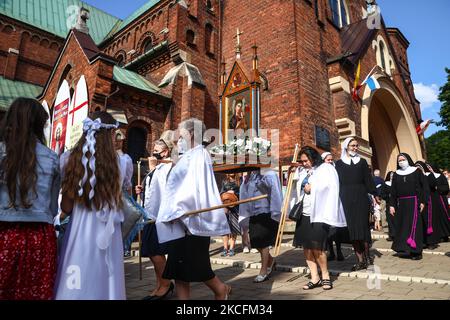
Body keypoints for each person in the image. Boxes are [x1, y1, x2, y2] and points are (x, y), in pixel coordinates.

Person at [156, 118, 231, 300]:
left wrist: (178, 211)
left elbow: (194, 189)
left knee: (198, 267)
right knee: (179, 272)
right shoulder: (185, 156)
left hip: (191, 221)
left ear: (190, 134)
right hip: (179, 220)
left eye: (181, 135)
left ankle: (221, 290)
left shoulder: (199, 154)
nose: (178, 140)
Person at [54, 111, 126, 299]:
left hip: (80, 232)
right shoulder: (122, 164)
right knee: (107, 281)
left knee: (77, 279)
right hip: (109, 234)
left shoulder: (70, 160)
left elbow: (66, 208)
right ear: (111, 135)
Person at [0, 98, 60, 300]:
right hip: (40, 236)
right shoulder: (52, 158)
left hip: (4, 233)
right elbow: (53, 208)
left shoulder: (2, 152)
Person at [292, 147, 347, 290]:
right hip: (304, 213)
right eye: (301, 161)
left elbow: (332, 186)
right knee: (307, 247)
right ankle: (314, 277)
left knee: (317, 247)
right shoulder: (303, 172)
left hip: (319, 214)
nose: (303, 163)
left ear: (313, 157)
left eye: (306, 160)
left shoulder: (325, 169)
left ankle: (326, 275)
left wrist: (313, 187)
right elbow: (298, 191)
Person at [136, 132, 175, 300]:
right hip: (149, 215)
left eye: (157, 150)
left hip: (159, 216)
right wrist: (142, 190)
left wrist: (151, 170)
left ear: (165, 152)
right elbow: (153, 190)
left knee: (155, 252)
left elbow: (165, 188)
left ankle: (166, 285)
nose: (153, 152)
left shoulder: (168, 166)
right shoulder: (158, 167)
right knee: (151, 252)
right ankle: (159, 284)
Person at [335, 137, 376, 271]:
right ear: (346, 147)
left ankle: (367, 256)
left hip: (361, 197)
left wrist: (376, 194)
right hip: (346, 199)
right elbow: (337, 183)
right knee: (352, 230)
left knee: (363, 228)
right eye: (353, 145)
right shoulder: (339, 164)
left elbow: (368, 181)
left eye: (356, 146)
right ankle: (360, 260)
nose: (355, 148)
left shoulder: (363, 162)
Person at [239, 168, 283, 283]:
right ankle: (271, 260)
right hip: (253, 212)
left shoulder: (269, 174)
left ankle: (263, 271)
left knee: (263, 242)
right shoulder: (251, 176)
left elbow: (272, 190)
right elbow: (245, 193)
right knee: (255, 242)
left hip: (266, 212)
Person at [389, 153, 426, 260]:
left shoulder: (416, 171)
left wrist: (422, 201)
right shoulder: (396, 174)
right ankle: (405, 249)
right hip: (402, 204)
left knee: (414, 226)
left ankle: (416, 252)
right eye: (399, 160)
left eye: (403, 159)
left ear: (408, 159)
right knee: (403, 226)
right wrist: (392, 205)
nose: (401, 161)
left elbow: (423, 187)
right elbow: (393, 191)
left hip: (414, 202)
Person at [320, 152, 345, 261]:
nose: (330, 161)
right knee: (328, 229)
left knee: (336, 230)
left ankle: (339, 251)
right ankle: (331, 251)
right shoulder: (321, 170)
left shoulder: (335, 169)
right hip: (325, 202)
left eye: (331, 160)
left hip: (335, 200)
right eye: (328, 160)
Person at [114, 130, 135, 257]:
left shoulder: (125, 159)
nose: (118, 143)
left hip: (118, 198)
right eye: (116, 139)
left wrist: (130, 202)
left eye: (120, 140)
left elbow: (127, 184)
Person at [426, 163, 450, 243]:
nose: (429, 168)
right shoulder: (428, 176)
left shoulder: (441, 176)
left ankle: (446, 234)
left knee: (444, 216)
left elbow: (446, 187)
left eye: (430, 167)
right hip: (433, 200)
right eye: (428, 167)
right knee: (436, 217)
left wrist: (437, 188)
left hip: (441, 199)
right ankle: (439, 235)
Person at [381, 171, 396, 241]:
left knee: (396, 219)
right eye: (391, 175)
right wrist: (388, 196)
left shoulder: (396, 183)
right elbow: (382, 194)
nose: (392, 176)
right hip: (389, 203)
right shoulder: (385, 184)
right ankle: (392, 235)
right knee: (390, 220)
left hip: (396, 204)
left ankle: (397, 234)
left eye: (393, 175)